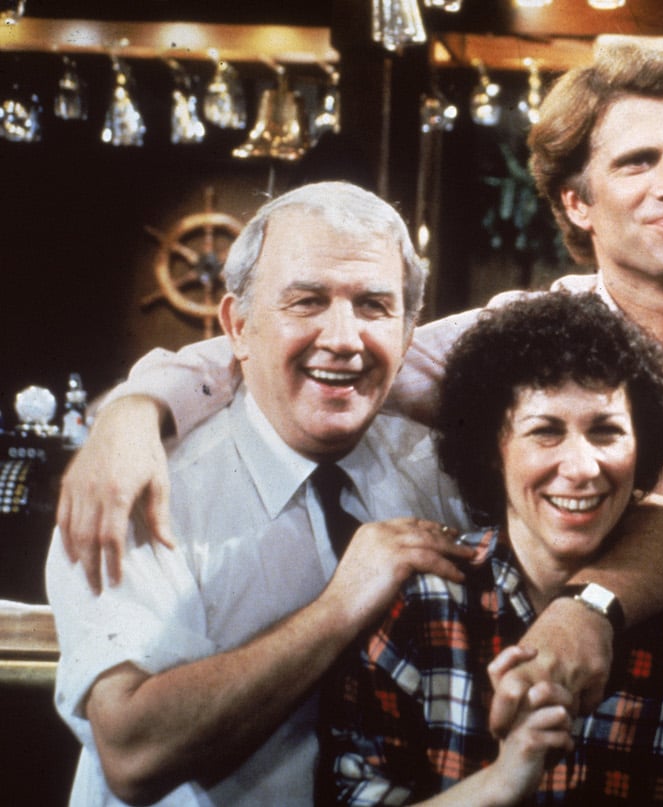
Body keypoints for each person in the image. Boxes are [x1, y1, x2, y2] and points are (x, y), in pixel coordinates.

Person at [55, 43, 663, 732]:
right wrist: (135, 410)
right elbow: (324, 350)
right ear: (576, 199)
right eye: (640, 161)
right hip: (622, 696)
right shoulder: (521, 339)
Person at [45, 181, 478, 805]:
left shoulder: (443, 473)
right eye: (306, 301)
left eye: (374, 306)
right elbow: (134, 754)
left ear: (411, 331)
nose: (344, 338)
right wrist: (341, 604)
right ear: (237, 326)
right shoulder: (136, 485)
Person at [319, 292, 663, 805]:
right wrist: (502, 782)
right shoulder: (420, 604)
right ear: (493, 450)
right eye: (545, 432)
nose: (581, 468)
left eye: (606, 432)